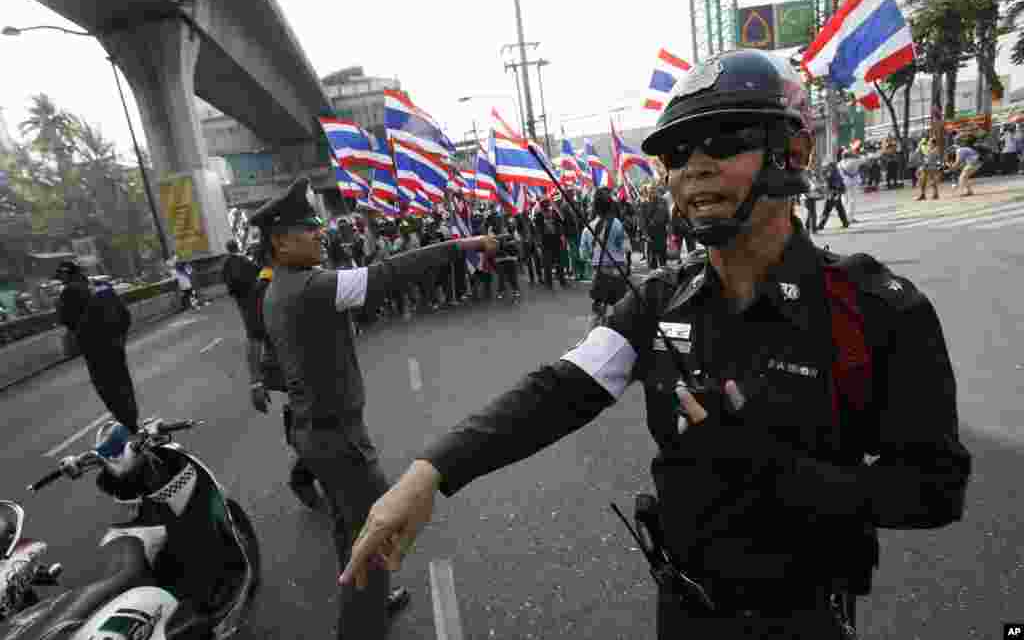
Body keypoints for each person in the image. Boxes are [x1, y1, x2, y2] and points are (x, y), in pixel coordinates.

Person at [340, 49, 971, 639]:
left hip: (803, 619)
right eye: (676, 156)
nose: (694, 168)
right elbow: (562, 390)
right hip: (685, 610)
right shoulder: (656, 300)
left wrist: (773, 470)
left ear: (796, 152)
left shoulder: (875, 309)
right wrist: (429, 475)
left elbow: (936, 490)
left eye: (724, 144)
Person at [251, 177, 497, 639]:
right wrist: (462, 243)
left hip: (315, 432)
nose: (321, 233)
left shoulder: (276, 289)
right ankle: (361, 628)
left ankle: (370, 601)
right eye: (308, 228)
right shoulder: (311, 288)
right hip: (336, 437)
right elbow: (389, 275)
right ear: (281, 242)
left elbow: (276, 362)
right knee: (379, 533)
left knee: (352, 529)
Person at [246, 249, 327, 513]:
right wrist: (255, 382)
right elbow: (255, 338)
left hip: (309, 363)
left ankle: (311, 471)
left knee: (317, 422)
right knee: (312, 425)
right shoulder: (263, 287)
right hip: (287, 368)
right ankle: (302, 477)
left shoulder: (299, 276)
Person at [55, 260, 139, 431]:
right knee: (122, 382)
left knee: (107, 388)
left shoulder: (69, 292)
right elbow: (124, 315)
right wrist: (119, 338)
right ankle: (132, 419)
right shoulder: (102, 286)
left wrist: (83, 336)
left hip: (94, 349)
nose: (61, 281)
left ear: (66, 274)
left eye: (61, 277)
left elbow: (66, 321)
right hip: (115, 345)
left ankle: (127, 422)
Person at [579, 188, 629, 330]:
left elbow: (583, 254)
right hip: (618, 272)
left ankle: (592, 339)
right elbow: (626, 248)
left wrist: (594, 256)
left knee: (597, 312)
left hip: (599, 273)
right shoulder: (618, 224)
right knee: (619, 310)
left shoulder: (588, 228)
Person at [533, 197, 569, 289]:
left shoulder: (554, 213)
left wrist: (562, 236)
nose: (547, 205)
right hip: (545, 241)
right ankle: (549, 283)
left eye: (547, 203)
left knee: (559, 262)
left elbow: (562, 220)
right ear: (541, 205)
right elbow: (537, 229)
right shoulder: (538, 215)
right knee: (547, 264)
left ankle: (562, 280)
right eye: (544, 204)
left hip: (556, 240)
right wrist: (538, 242)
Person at [916, 134, 942, 201]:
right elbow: (922, 154)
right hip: (927, 167)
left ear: (933, 143)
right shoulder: (929, 149)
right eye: (928, 142)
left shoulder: (935, 149)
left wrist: (938, 167)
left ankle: (935, 194)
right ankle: (923, 194)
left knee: (932, 181)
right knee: (923, 180)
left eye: (930, 142)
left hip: (932, 167)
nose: (928, 143)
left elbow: (933, 158)